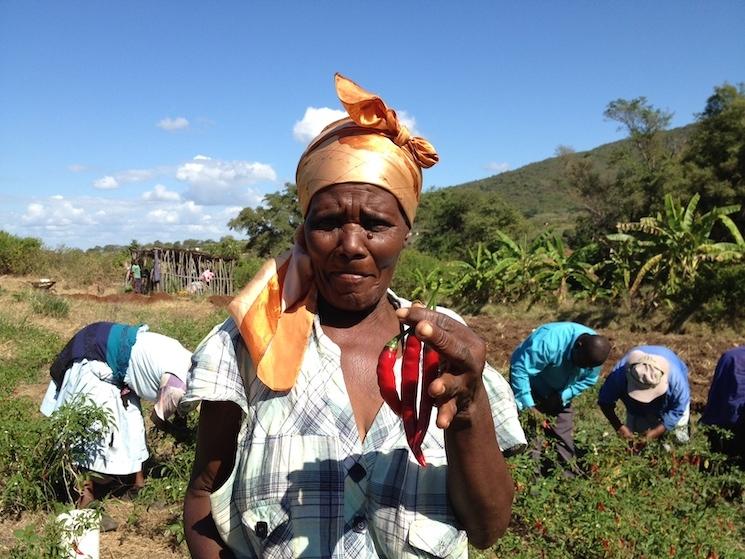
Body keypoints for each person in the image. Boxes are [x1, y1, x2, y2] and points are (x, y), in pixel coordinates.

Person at [181, 73, 526, 558]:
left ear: (406, 232)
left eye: (376, 224)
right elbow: (202, 497)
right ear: (304, 231)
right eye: (327, 223)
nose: (350, 246)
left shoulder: (447, 349)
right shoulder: (249, 341)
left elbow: (487, 528)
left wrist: (468, 405)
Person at [41, 321, 193, 527]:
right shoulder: (178, 385)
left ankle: (136, 487)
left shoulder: (194, 363)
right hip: (94, 354)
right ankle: (85, 503)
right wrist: (183, 435)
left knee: (132, 423)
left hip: (117, 362)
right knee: (93, 431)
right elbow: (157, 419)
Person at [509, 322, 611, 470]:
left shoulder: (595, 353)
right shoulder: (549, 342)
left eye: (585, 367)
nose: (580, 368)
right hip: (530, 386)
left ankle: (565, 480)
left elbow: (589, 380)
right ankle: (531, 479)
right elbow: (520, 370)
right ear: (578, 346)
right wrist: (530, 407)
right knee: (532, 436)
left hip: (559, 391)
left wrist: (561, 397)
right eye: (579, 363)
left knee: (563, 435)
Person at [598, 345, 691, 445]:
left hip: (670, 404)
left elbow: (678, 410)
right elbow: (604, 402)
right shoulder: (618, 376)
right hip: (636, 408)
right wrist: (620, 427)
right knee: (637, 441)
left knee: (677, 439)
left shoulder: (676, 383)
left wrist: (655, 432)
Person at [700, 346, 745, 463]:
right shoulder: (732, 357)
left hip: (722, 426)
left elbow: (715, 394)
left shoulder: (731, 356)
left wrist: (708, 422)